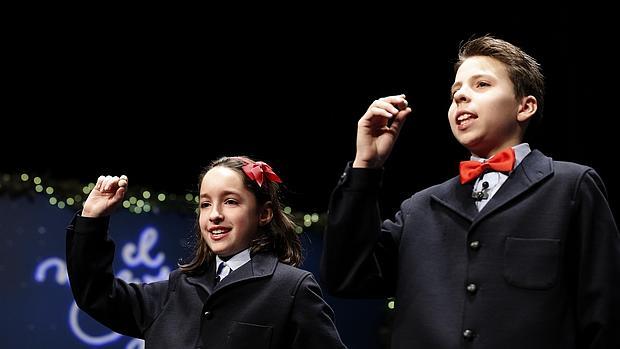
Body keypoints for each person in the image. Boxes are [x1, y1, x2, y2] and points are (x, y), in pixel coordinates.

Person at [321, 35, 620, 348]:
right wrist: (365, 166)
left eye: (481, 85)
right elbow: (346, 278)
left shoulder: (571, 187)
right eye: (455, 92)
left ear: (525, 106)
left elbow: (603, 315)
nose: (461, 96)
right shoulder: (420, 208)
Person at [67, 156, 347, 349]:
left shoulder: (292, 289)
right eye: (204, 204)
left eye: (230, 201)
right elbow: (96, 295)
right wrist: (91, 219)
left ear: (264, 213)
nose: (214, 215)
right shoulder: (176, 290)